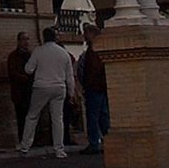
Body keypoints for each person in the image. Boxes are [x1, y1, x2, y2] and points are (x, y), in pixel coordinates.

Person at [19, 26, 76, 158]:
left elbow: (28, 69)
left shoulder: (38, 51)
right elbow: (70, 76)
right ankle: (59, 149)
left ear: (43, 37)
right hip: (59, 87)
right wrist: (71, 93)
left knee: (32, 116)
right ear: (55, 37)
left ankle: (25, 146)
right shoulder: (63, 53)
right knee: (57, 119)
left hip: (41, 86)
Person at [77, 23, 110, 155]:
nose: (84, 36)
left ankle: (94, 143)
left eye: (86, 33)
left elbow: (93, 70)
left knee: (93, 116)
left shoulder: (93, 50)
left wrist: (87, 85)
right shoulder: (100, 48)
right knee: (103, 116)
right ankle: (106, 140)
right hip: (101, 87)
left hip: (94, 87)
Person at [6, 30, 33, 140]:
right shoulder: (13, 56)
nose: (26, 42)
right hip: (20, 92)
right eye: (23, 39)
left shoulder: (31, 55)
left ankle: (33, 139)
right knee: (22, 117)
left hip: (31, 91)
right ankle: (23, 139)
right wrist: (24, 78)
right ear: (18, 41)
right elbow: (12, 72)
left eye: (27, 39)